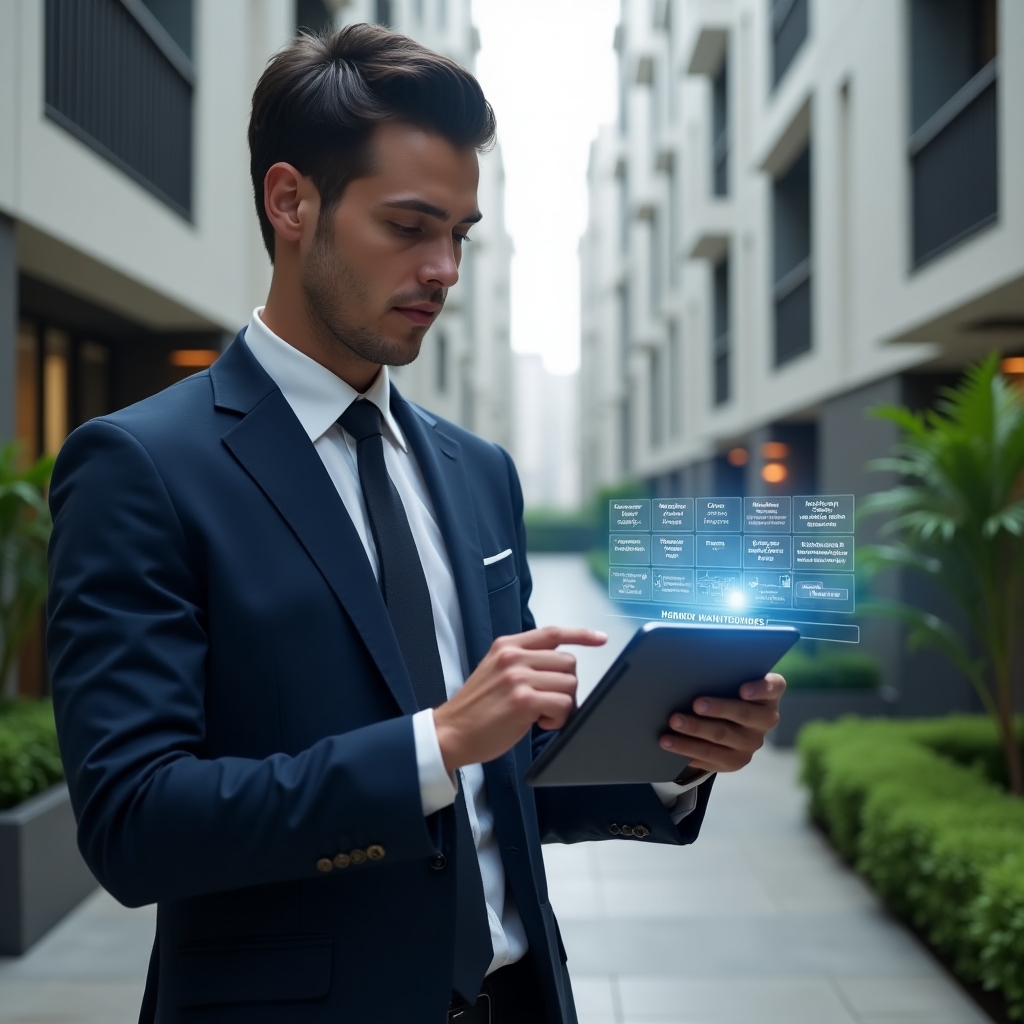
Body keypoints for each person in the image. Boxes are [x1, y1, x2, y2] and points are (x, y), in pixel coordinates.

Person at [47, 25, 785, 1024]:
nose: (444, 268)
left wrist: (674, 755)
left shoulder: (477, 473)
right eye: (409, 227)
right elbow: (135, 823)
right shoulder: (141, 467)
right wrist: (435, 741)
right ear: (290, 201)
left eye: (462, 235)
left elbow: (499, 783)